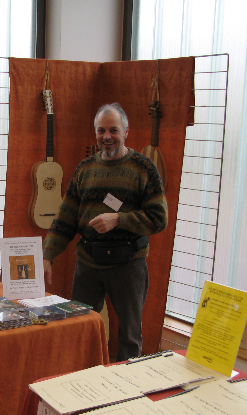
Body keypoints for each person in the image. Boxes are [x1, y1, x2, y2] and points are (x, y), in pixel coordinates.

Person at [42, 103, 168, 361]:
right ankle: (80, 387)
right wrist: (47, 255)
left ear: (126, 132)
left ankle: (127, 395)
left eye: (113, 130)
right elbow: (65, 217)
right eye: (101, 131)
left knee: (129, 336)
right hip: (88, 263)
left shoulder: (143, 168)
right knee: (77, 328)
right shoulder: (85, 169)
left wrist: (119, 220)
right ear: (95, 132)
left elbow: (159, 218)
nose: (107, 137)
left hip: (129, 265)